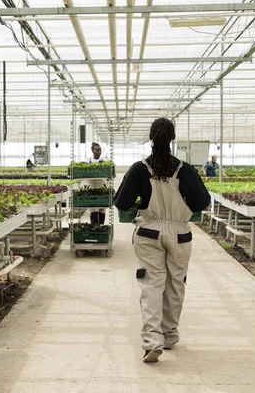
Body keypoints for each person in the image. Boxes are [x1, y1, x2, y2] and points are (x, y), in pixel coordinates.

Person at [115, 118, 210, 363]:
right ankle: (169, 335)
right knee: (176, 283)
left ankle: (151, 341)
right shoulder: (185, 170)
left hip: (149, 233)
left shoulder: (140, 168)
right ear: (172, 138)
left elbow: (121, 203)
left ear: (151, 137)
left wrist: (141, 203)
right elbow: (202, 203)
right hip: (180, 235)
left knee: (152, 284)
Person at [86, 142, 107, 225]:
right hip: (92, 187)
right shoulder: (89, 160)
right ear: (92, 151)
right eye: (97, 150)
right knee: (94, 208)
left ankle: (101, 227)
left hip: (102, 186)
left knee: (102, 208)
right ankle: (94, 228)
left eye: (100, 150)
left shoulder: (104, 161)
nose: (99, 152)